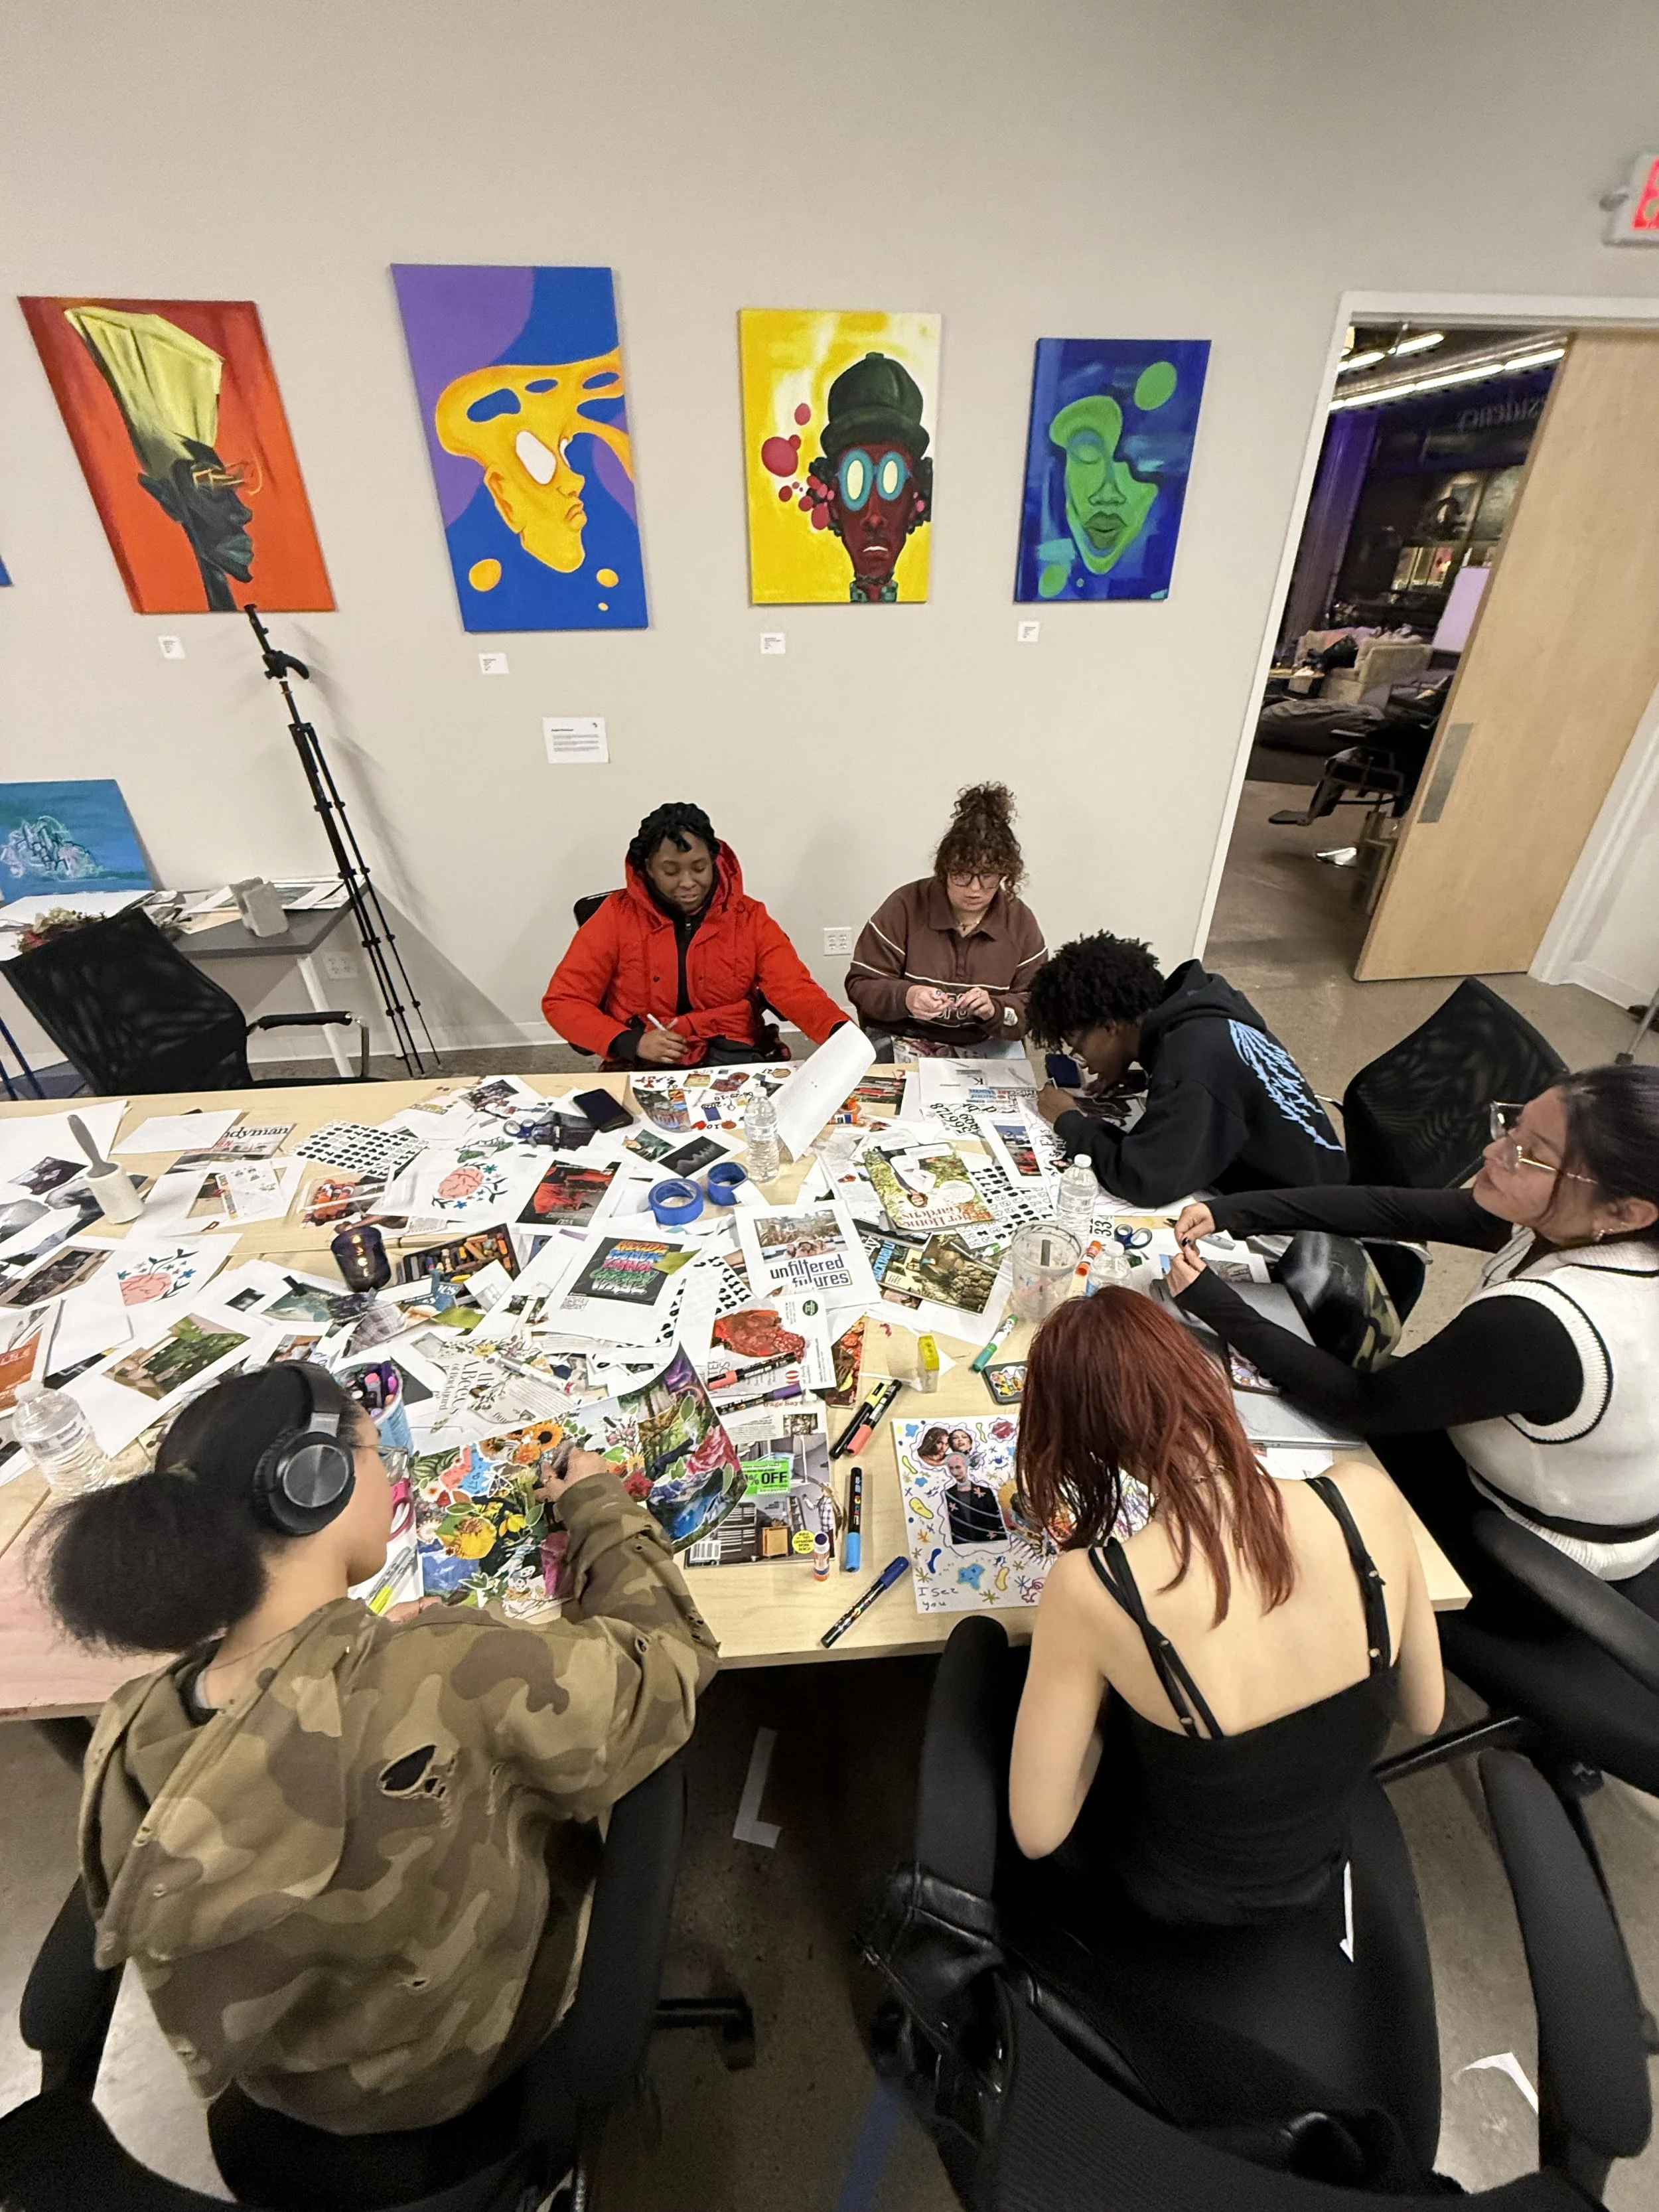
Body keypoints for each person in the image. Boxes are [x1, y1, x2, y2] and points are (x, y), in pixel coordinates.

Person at [35, 1362, 717, 2135]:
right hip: (474, 2052)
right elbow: (668, 1662)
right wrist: (599, 1502)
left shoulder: (136, 1724)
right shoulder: (450, 1671)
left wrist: (375, 1662)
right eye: (373, 1453)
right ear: (316, 1482)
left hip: (297, 2093)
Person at [1008, 1291, 1443, 1923]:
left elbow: (1037, 1832)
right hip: (1314, 1862)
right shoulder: (1366, 1499)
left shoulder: (1096, 1588)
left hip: (1171, 1900)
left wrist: (1110, 1695)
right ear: (1203, 1376)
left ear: (1086, 1444)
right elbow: (1425, 1711)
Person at [1169, 1065, 1659, 1589]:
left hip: (1524, 1554)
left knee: (1239, 1510)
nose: (1494, 1154)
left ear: (1626, 1212)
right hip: (1494, 1449)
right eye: (1512, 1127)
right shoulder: (1579, 1222)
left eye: (1532, 1154)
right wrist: (1233, 1212)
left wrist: (1212, 1301)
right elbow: (1391, 1208)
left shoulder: (1545, 1322)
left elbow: (1365, 1402)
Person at [1027, 933, 1345, 1204]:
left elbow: (1144, 1179)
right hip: (1315, 1178)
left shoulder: (1192, 1063)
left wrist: (1069, 1121)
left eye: (1078, 1046)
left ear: (1110, 1027)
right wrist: (1151, 1077)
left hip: (1298, 1221)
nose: (1083, 1059)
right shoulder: (1199, 1007)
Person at [542, 800, 846, 1068]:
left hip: (734, 1052)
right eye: (671, 872)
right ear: (647, 869)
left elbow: (794, 988)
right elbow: (564, 1001)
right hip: (642, 1057)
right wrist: (627, 1042)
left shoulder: (749, 917)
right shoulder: (614, 916)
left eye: (699, 868)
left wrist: (841, 1036)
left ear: (714, 861)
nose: (687, 883)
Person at [844, 783, 1046, 1060]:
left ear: (1005, 874)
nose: (975, 888)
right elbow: (861, 985)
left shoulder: (1019, 922)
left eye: (988, 876)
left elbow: (1036, 1005)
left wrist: (994, 1009)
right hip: (905, 1035)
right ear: (944, 869)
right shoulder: (905, 905)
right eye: (962, 875)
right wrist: (907, 996)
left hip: (984, 1040)